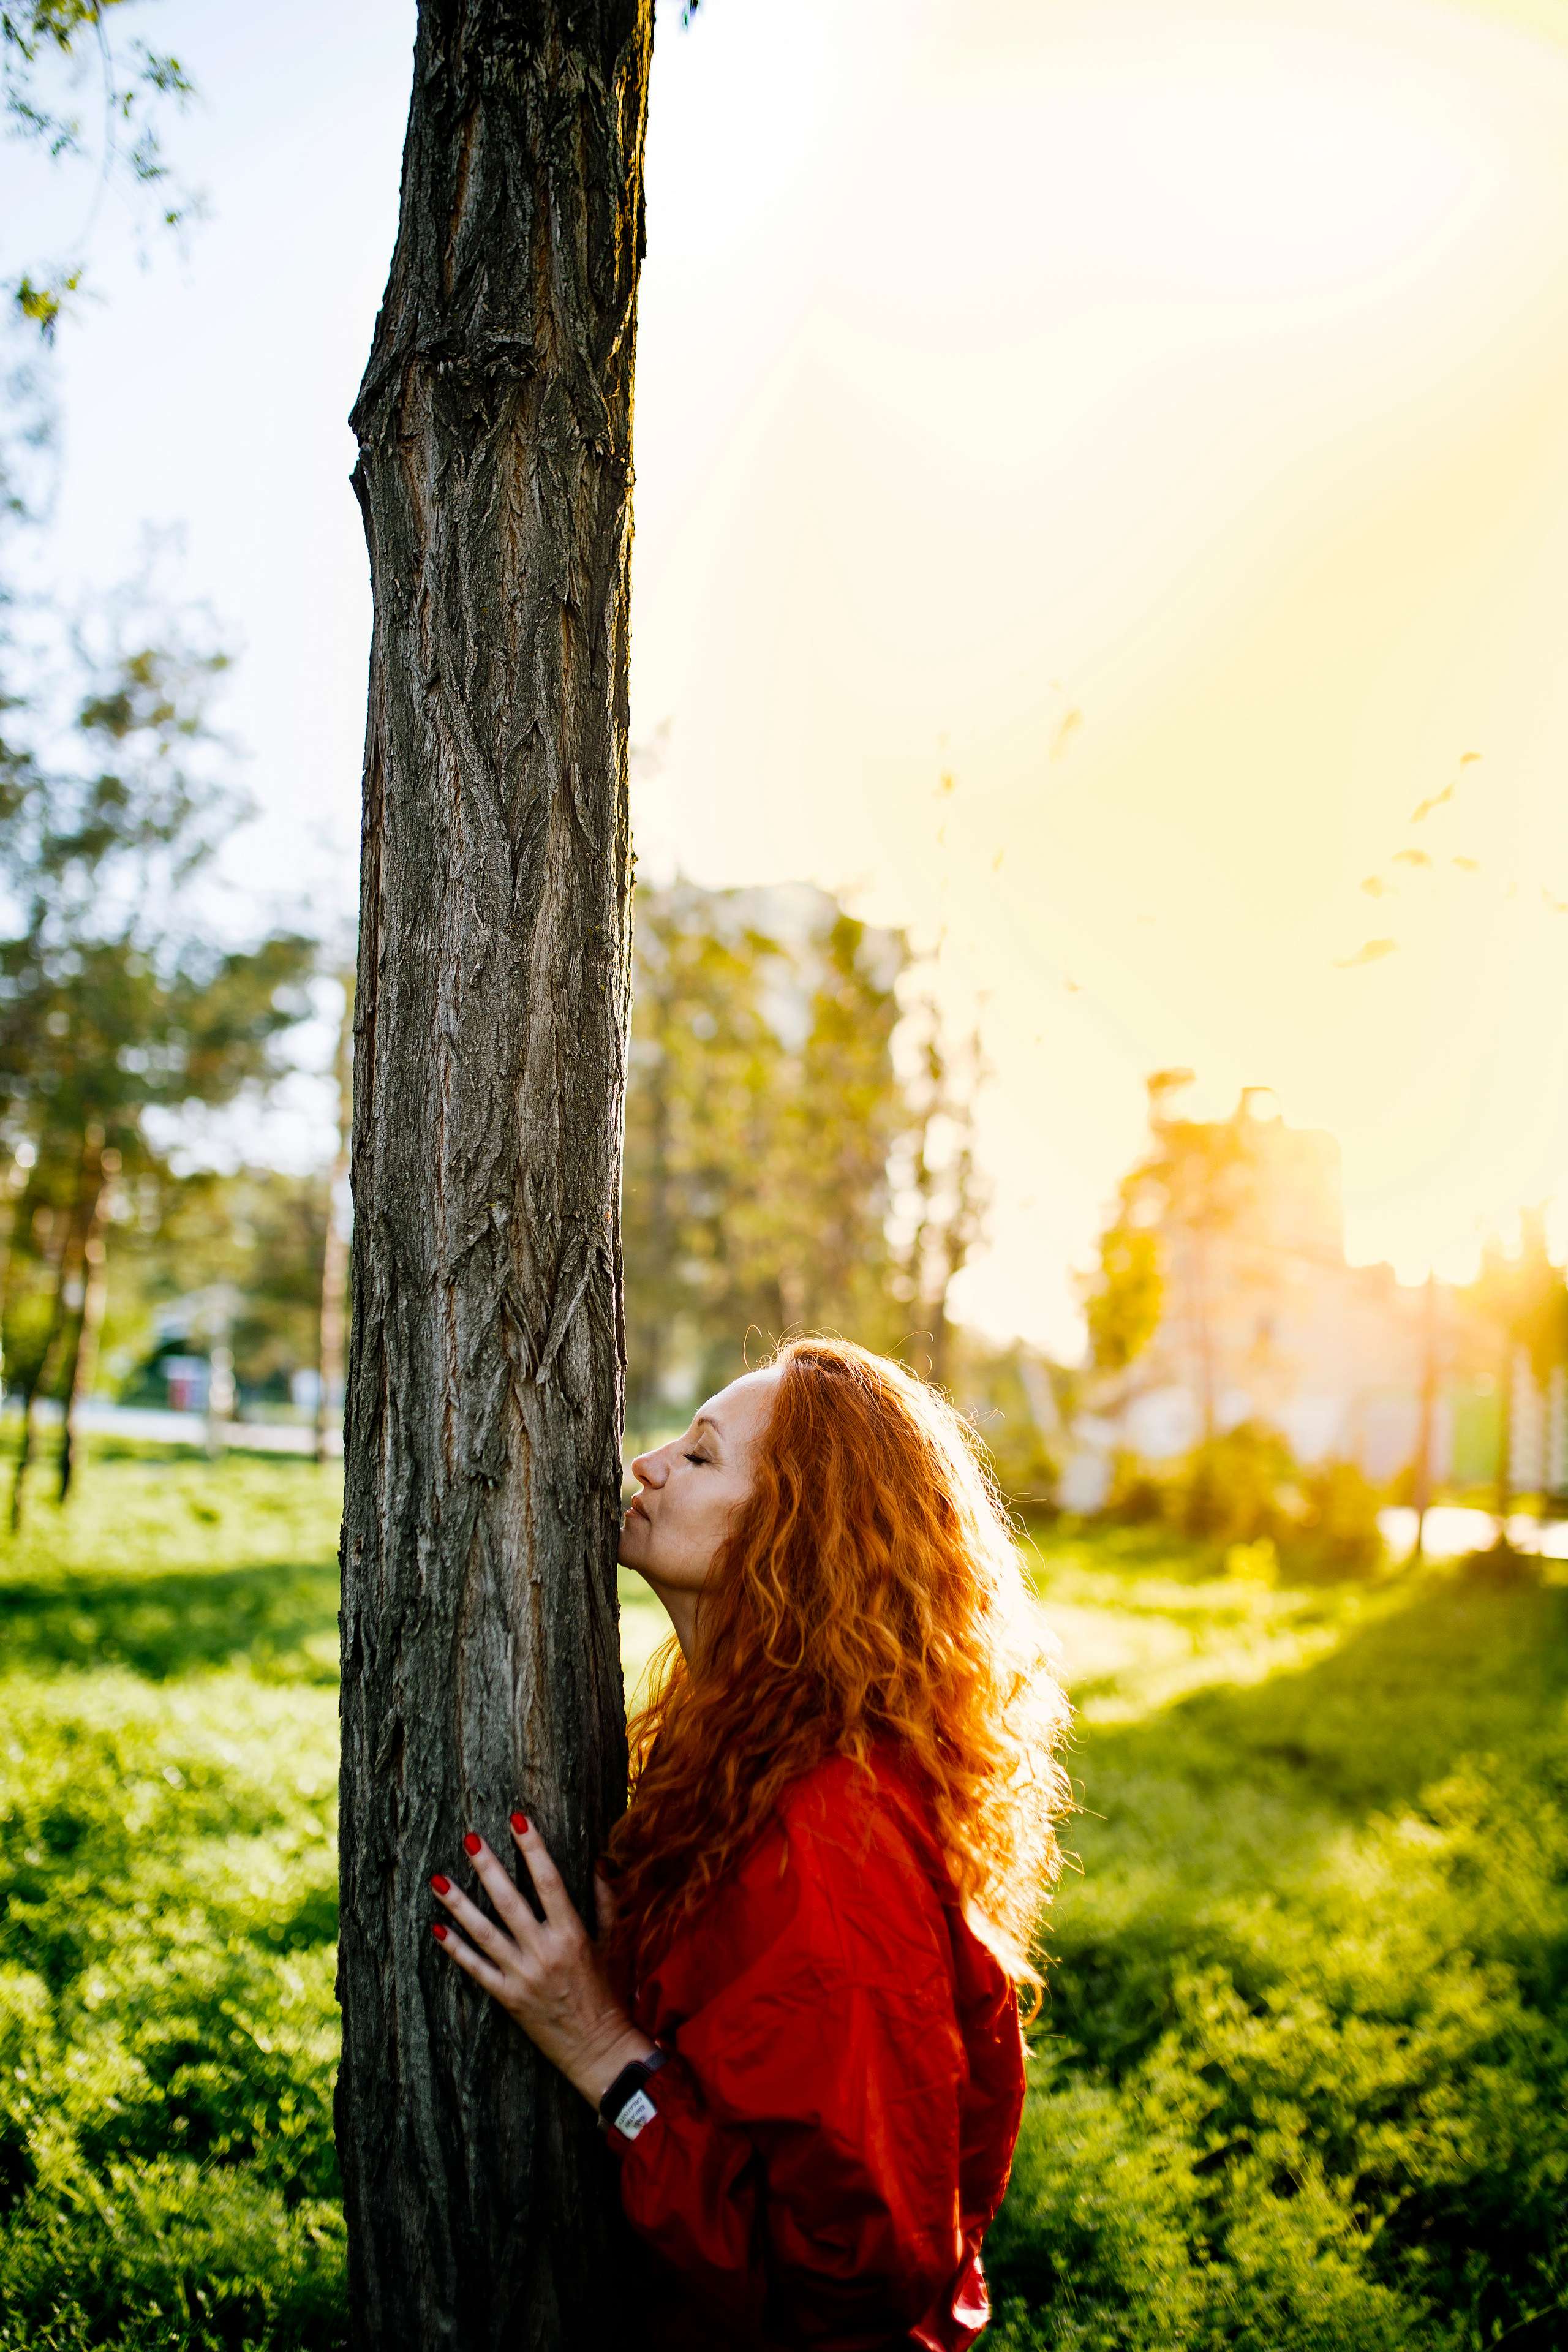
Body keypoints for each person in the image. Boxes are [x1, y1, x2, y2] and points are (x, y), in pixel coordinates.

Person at [428, 1336, 1071, 2349]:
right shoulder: (744, 1749)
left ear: (796, 1532)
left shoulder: (829, 1838)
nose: (644, 1466)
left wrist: (604, 2052)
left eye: (700, 1457)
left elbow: (858, 2277)